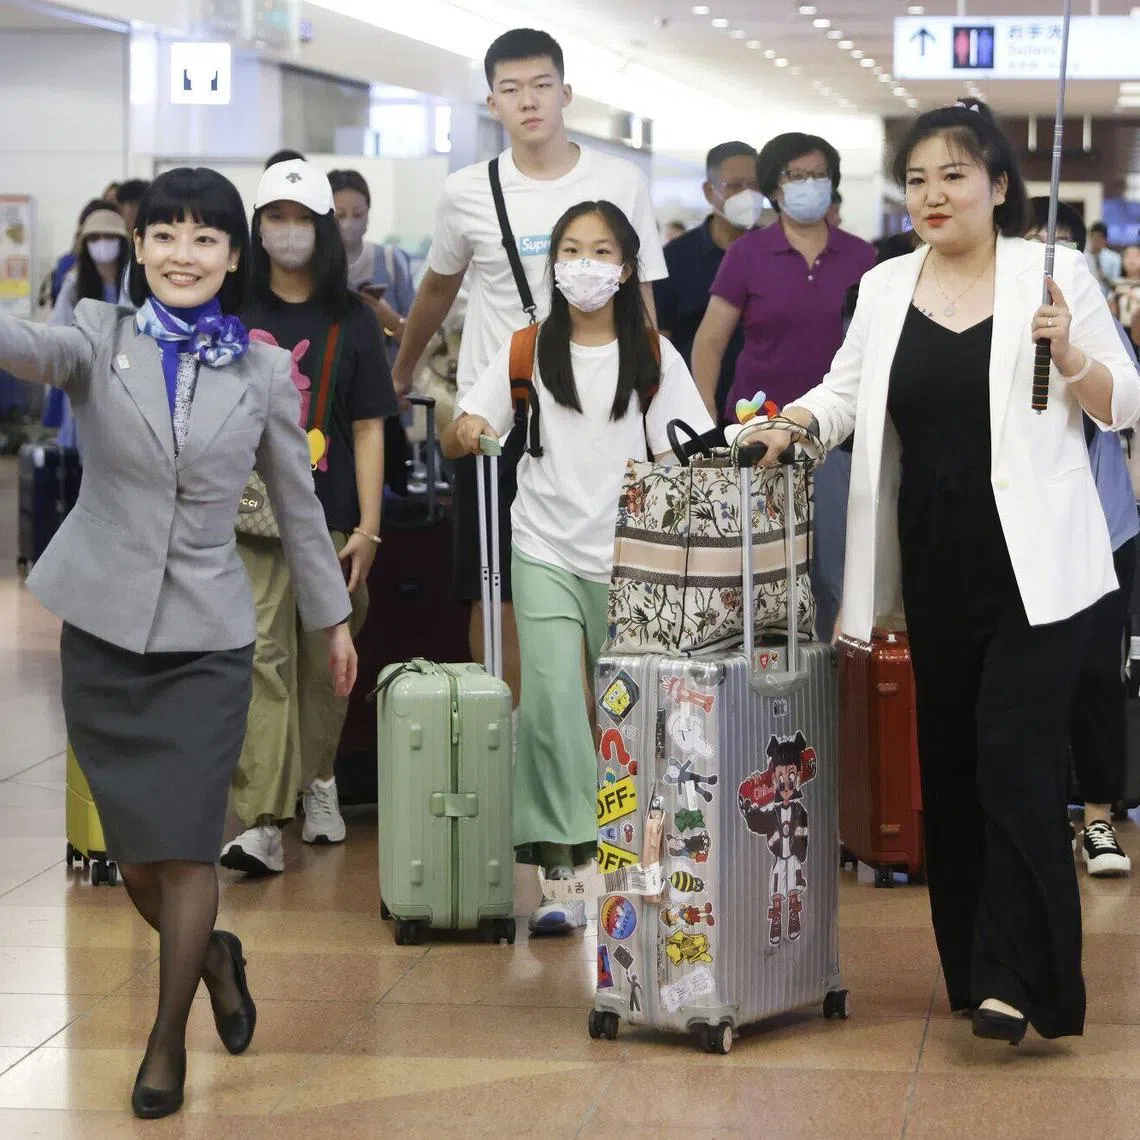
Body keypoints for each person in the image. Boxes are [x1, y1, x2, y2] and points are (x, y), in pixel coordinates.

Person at [760, 100, 1140, 1044]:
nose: (933, 195)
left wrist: (1074, 353)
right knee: (957, 767)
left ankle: (1028, 981)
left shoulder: (1054, 274)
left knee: (1014, 761)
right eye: (918, 179)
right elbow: (845, 392)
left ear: (999, 186)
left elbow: (1122, 401)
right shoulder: (888, 286)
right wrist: (797, 424)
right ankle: (975, 971)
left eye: (954, 176)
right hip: (931, 558)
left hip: (1038, 565)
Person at [0, 167, 357, 1117]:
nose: (181, 254)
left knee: (189, 845)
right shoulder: (95, 331)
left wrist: (333, 619)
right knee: (139, 859)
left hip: (208, 631)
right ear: (140, 246)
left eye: (204, 239)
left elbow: (298, 504)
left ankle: (167, 1043)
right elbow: (24, 349)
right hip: (106, 628)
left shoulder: (266, 369)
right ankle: (217, 958)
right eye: (164, 236)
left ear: (232, 257)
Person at [441, 200, 712, 932]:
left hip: (634, 558)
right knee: (555, 708)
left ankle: (635, 859)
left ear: (626, 269)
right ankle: (566, 872)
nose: (583, 265)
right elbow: (469, 424)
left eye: (599, 252)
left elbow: (689, 452)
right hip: (544, 546)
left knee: (631, 714)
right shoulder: (525, 348)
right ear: (553, 263)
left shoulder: (655, 354)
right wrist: (467, 428)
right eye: (570, 250)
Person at [389, 28, 667, 707]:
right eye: (511, 90)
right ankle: (509, 730)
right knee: (494, 579)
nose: (529, 101)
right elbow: (437, 289)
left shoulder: (620, 182)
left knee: (604, 571)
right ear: (492, 103)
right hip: (499, 416)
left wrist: (655, 405)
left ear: (566, 92)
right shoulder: (467, 191)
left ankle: (598, 731)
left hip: (602, 412)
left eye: (541, 85)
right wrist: (402, 371)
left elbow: (646, 304)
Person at [219, 160, 396, 875]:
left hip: (331, 518)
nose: (288, 233)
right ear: (256, 228)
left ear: (324, 230)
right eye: (275, 218)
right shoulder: (232, 309)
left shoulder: (350, 316)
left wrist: (370, 528)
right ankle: (262, 816)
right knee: (258, 656)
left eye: (302, 220)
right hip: (243, 521)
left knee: (331, 660)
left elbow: (369, 427)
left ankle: (319, 781)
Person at [691, 131, 876, 642]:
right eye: (796, 176)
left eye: (819, 175)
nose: (809, 185)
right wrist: (709, 428)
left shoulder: (864, 258)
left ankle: (834, 695)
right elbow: (709, 343)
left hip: (839, 443)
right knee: (758, 577)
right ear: (775, 186)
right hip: (757, 440)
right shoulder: (748, 254)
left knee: (837, 577)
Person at [1027, 198, 1138, 877]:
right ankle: (1036, 816)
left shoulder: (1091, 316)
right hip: (1022, 526)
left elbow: (1121, 403)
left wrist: (1068, 352)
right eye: (1038, 242)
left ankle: (1097, 818)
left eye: (1063, 241)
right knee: (1029, 676)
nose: (1052, 256)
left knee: (1098, 672)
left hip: (1100, 521)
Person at [653, 140, 760, 425]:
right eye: (735, 185)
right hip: (696, 407)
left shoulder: (773, 252)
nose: (747, 194)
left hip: (767, 408)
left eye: (755, 185)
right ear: (709, 191)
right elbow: (660, 338)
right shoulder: (675, 257)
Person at [328, 168, 415, 366]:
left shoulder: (391, 261)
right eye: (340, 215)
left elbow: (419, 338)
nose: (349, 223)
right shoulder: (312, 268)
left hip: (389, 383)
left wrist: (388, 319)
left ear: (368, 214)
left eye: (358, 214)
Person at [1110, 244, 1140, 352]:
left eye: (1137, 256)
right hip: (1122, 330)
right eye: (1128, 256)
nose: (1132, 260)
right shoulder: (1117, 284)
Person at [1087, 221, 1122, 298]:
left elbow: (1116, 285)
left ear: (1105, 239)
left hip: (1106, 299)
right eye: (1093, 237)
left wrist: (1105, 277)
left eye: (1099, 238)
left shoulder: (1114, 258)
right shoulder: (1083, 256)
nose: (1095, 241)